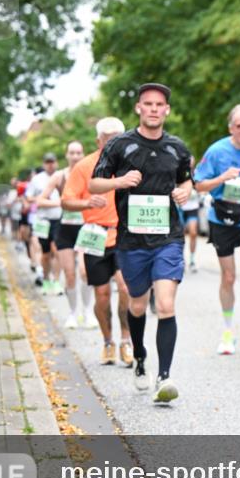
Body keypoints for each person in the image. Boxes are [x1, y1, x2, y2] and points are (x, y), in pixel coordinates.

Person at [90, 83, 193, 404]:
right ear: (138, 108)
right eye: (147, 104)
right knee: (136, 304)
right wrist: (119, 182)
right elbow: (95, 182)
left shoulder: (177, 148)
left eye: (158, 104)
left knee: (165, 304)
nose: (153, 109)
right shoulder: (120, 145)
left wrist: (187, 189)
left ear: (167, 111)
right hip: (131, 240)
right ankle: (140, 357)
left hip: (168, 238)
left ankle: (165, 377)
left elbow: (187, 179)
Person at [194, 104, 240, 357]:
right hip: (222, 217)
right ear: (231, 127)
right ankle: (227, 331)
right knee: (228, 277)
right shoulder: (217, 151)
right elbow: (199, 186)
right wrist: (222, 178)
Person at [63, 118, 136, 369]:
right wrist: (86, 203)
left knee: (126, 288)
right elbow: (66, 201)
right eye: (108, 137)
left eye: (118, 135)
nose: (114, 141)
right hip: (95, 235)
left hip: (125, 234)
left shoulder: (132, 162)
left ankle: (127, 340)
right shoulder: (84, 167)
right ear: (98, 140)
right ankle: (108, 342)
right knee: (102, 295)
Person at [38, 141, 97, 329]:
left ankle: (88, 312)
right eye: (72, 152)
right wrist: (61, 203)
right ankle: (73, 313)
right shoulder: (59, 176)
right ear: (66, 155)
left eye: (79, 152)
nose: (75, 156)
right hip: (66, 230)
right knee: (70, 275)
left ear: (83, 154)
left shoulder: (91, 173)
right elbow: (40, 200)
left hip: (87, 228)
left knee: (86, 272)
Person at [27, 154, 63, 294]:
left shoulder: (62, 176)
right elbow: (29, 197)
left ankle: (57, 281)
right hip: (42, 219)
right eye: (47, 162)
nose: (50, 165)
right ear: (43, 164)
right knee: (46, 253)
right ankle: (46, 280)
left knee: (57, 250)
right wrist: (42, 199)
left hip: (58, 218)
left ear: (57, 163)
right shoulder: (37, 179)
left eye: (52, 162)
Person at [180, 156, 202, 273]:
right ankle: (181, 259)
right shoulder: (179, 171)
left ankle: (192, 260)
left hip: (193, 207)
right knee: (180, 235)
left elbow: (202, 187)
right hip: (181, 207)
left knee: (193, 233)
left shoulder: (197, 173)